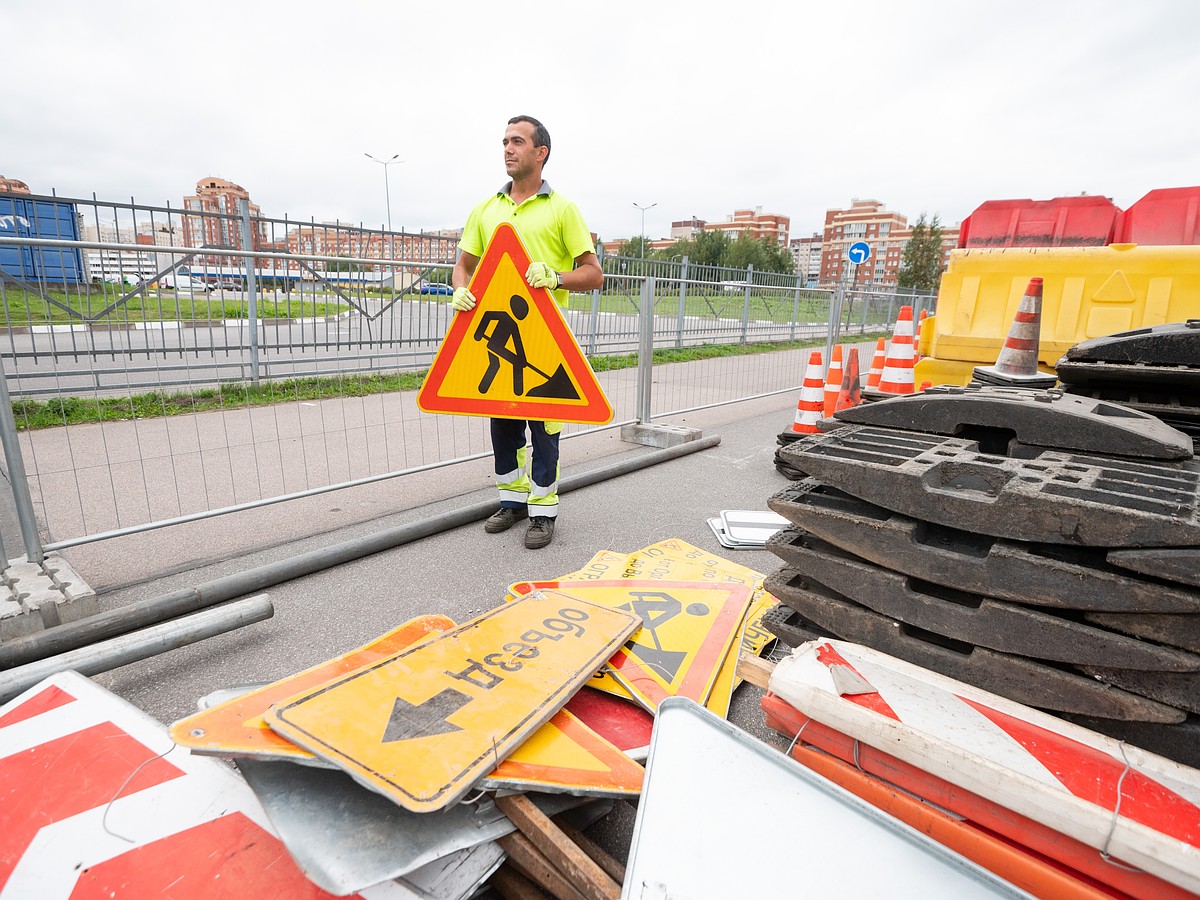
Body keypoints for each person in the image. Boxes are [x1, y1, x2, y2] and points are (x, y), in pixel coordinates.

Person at [450, 115, 603, 549]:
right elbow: (464, 265)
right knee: (503, 426)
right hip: (497, 340)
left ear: (541, 153)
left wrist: (555, 277)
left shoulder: (562, 209)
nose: (507, 149)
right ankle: (512, 503)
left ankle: (542, 512)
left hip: (546, 342)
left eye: (518, 141)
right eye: (504, 142)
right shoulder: (485, 209)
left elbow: (593, 274)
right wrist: (461, 291)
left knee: (544, 430)